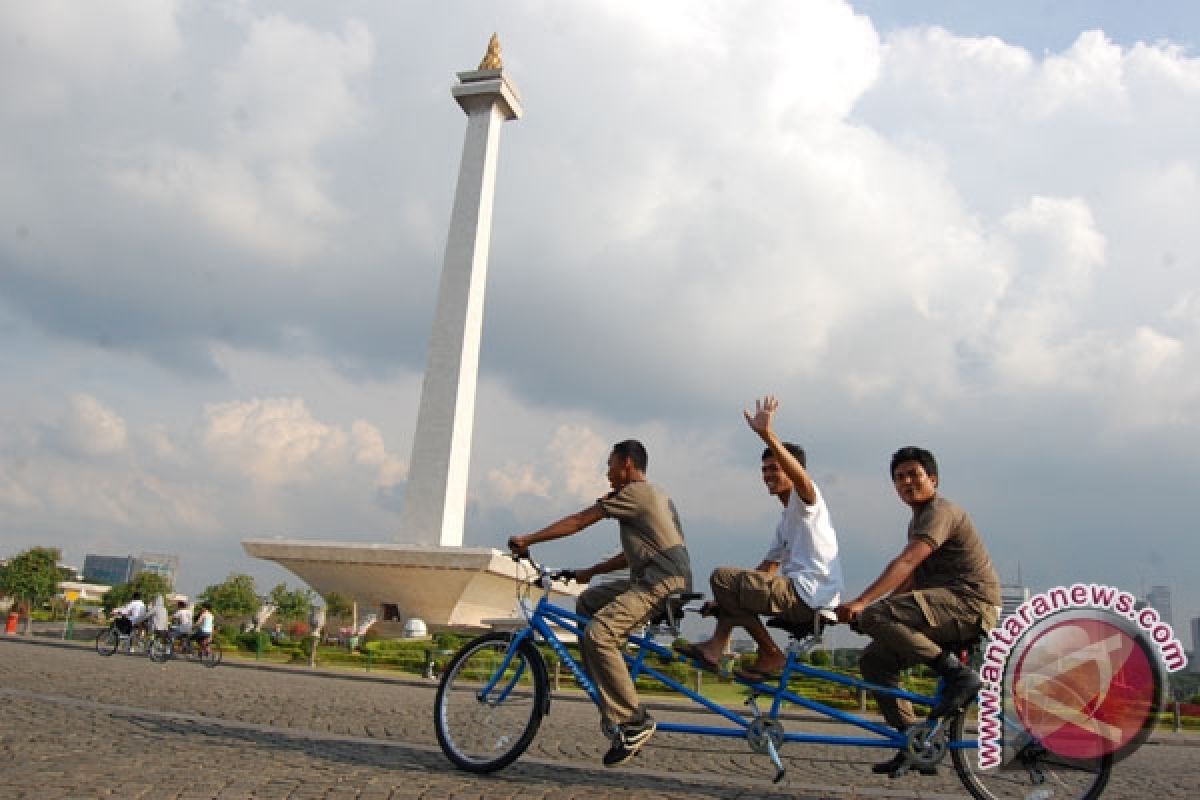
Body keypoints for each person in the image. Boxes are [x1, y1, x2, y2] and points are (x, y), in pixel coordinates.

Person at [508, 439, 692, 768]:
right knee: (588, 603)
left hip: (659, 583)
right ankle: (608, 693)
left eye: (610, 465)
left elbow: (579, 520)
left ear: (627, 464)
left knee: (598, 634)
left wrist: (528, 539)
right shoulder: (653, 496)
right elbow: (633, 554)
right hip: (657, 577)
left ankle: (634, 720)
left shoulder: (633, 493)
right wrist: (589, 572)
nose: (606, 472)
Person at [835, 446, 1001, 776]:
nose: (906, 482)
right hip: (945, 608)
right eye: (899, 478)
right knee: (874, 661)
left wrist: (864, 605)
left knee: (875, 615)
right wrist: (873, 615)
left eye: (914, 474)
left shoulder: (941, 512)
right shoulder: (917, 522)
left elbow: (907, 561)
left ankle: (960, 676)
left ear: (933, 480)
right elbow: (910, 580)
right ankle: (915, 742)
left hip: (970, 605)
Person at [674, 395, 843, 681]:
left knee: (723, 577)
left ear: (791, 470)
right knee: (730, 588)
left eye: (775, 468)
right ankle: (716, 647)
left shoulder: (807, 501)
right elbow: (767, 569)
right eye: (764, 470)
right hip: (796, 593)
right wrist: (721, 601)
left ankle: (769, 653)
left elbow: (800, 478)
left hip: (809, 595)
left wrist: (767, 435)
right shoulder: (784, 521)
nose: (767, 475)